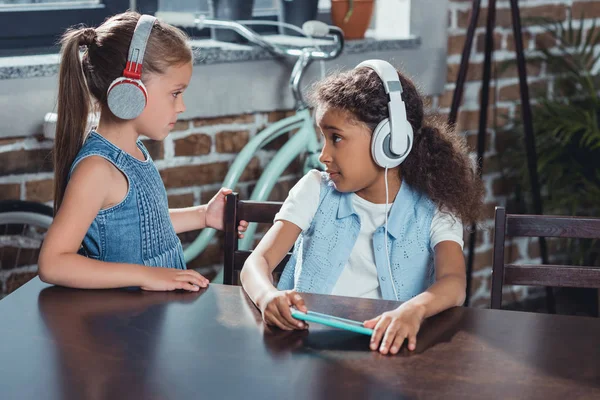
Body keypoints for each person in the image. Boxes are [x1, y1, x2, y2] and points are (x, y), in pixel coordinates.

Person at [241, 60, 484, 355]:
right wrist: (268, 296)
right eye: (323, 139)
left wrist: (412, 311)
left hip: (390, 351)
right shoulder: (314, 190)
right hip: (306, 346)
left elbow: (454, 282)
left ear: (391, 143)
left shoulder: (436, 208)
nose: (324, 155)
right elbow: (257, 263)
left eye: (336, 138)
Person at [39, 12, 247, 291]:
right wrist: (146, 275)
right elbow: (53, 263)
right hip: (122, 324)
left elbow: (141, 228)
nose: (182, 106)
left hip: (148, 319)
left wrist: (203, 216)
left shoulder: (132, 153)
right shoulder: (97, 170)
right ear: (129, 91)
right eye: (175, 93)